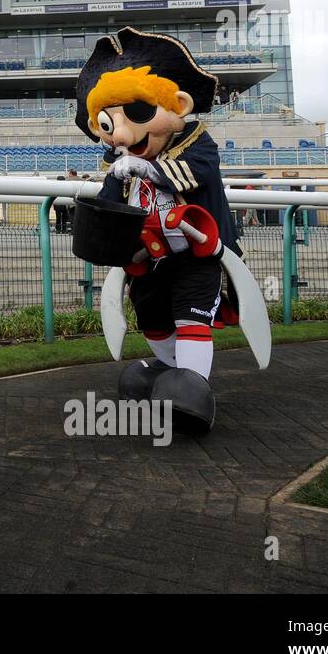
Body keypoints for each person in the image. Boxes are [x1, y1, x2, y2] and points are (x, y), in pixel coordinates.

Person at [73, 27, 257, 433]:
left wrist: (149, 169)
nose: (121, 134)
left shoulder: (197, 142)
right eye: (108, 122)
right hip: (149, 260)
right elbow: (110, 208)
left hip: (195, 253)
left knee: (191, 315)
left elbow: (198, 173)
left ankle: (192, 387)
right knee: (152, 316)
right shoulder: (120, 164)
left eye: (136, 113)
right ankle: (171, 372)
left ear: (179, 106)